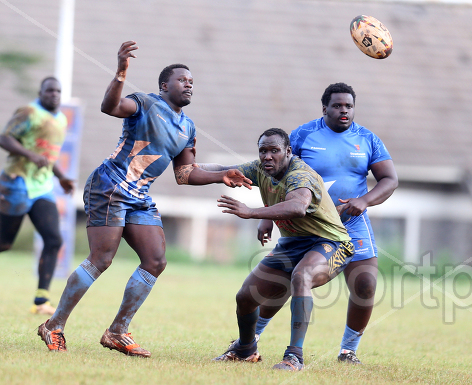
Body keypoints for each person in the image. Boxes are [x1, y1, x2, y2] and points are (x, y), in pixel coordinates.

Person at [36, 41, 250, 357]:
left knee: (155, 260)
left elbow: (185, 174)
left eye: (191, 82)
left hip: (139, 196)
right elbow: (109, 106)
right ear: (164, 86)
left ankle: (117, 331)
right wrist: (121, 71)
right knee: (102, 259)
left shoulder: (188, 127)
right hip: (109, 186)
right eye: (182, 80)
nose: (188, 85)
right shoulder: (145, 103)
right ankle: (53, 325)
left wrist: (221, 174)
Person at [255, 82, 398, 364]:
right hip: (308, 225)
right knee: (282, 282)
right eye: (337, 105)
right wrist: (267, 214)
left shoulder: (368, 139)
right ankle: (251, 339)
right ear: (325, 108)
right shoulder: (303, 135)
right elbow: (276, 173)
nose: (344, 111)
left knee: (366, 284)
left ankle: (348, 351)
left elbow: (390, 180)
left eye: (349, 106)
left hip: (351, 225)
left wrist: (365, 200)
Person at [198, 128, 355, 371]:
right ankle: (245, 349)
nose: (268, 156)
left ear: (288, 152)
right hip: (292, 244)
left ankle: (294, 357)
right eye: (263, 151)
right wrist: (184, 161)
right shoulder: (259, 168)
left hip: (331, 243)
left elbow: (297, 206)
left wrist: (252, 212)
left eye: (274, 151)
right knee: (245, 297)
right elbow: (223, 169)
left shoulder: (301, 174)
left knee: (301, 276)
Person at [0, 77, 75, 315]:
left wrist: (61, 176)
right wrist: (29, 155)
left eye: (58, 91)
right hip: (17, 183)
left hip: (42, 188)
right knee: (4, 244)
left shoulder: (61, 119)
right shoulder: (29, 112)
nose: (54, 95)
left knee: (53, 240)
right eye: (49, 91)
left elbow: (48, 155)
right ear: (40, 92)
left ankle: (41, 301)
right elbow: (4, 138)